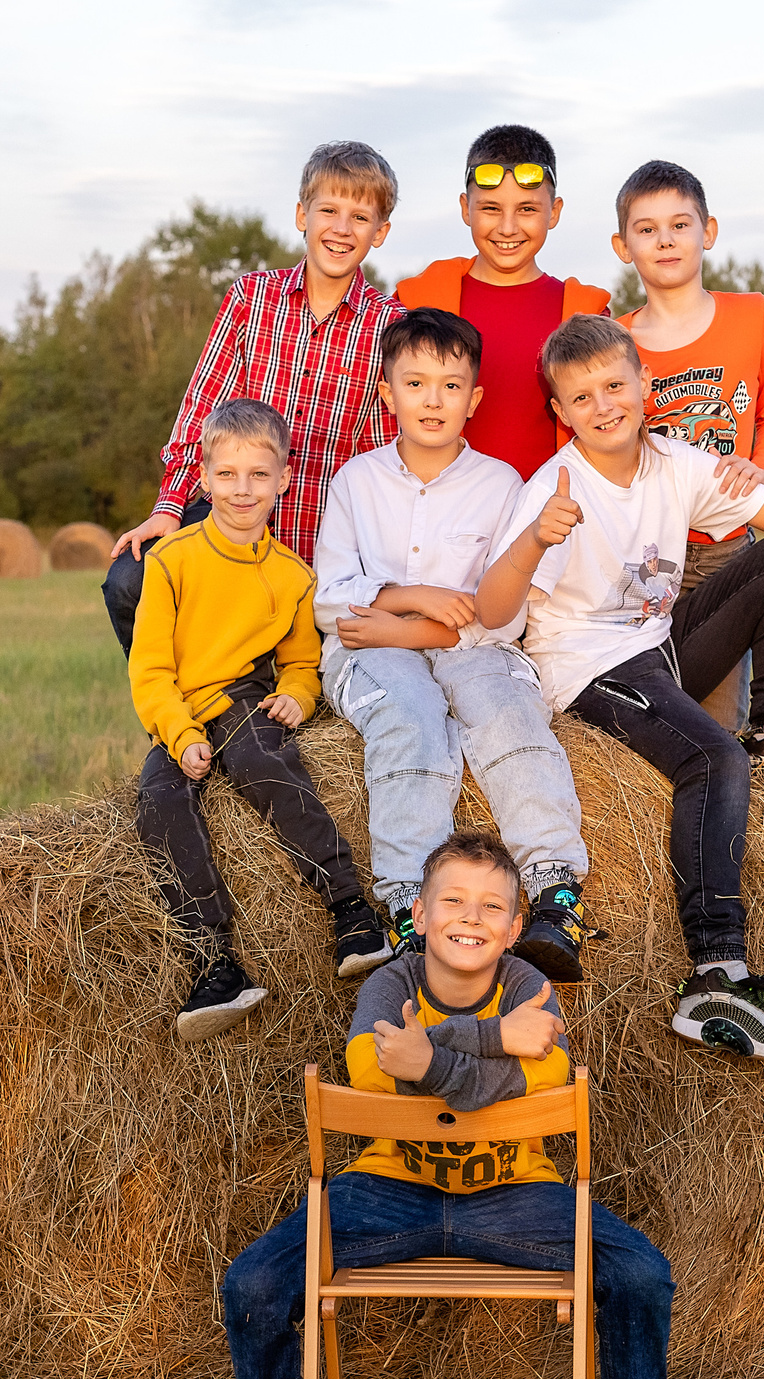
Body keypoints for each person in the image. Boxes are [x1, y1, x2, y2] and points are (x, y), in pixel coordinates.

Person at [171, 831, 742, 1379]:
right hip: (386, 1187)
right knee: (255, 1281)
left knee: (639, 1271)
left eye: (491, 905)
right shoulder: (391, 983)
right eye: (453, 900)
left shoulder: (530, 986)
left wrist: (435, 1059)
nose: (470, 916)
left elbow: (547, 1077)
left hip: (516, 1191)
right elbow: (372, 1074)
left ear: (511, 926)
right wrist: (496, 1040)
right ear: (419, 913)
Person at [473, 316, 764, 1061]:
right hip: (590, 670)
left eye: (615, 385)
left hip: (657, 647)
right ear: (560, 412)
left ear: (645, 385)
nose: (604, 405)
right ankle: (715, 973)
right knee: (711, 760)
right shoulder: (556, 490)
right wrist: (535, 540)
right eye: (581, 398)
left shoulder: (677, 464)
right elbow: (490, 614)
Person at [313, 307, 596, 982]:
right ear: (388, 394)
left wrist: (412, 627)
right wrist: (413, 596)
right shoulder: (356, 481)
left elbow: (499, 620)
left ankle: (556, 889)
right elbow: (334, 602)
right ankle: (410, 906)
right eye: (415, 384)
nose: (431, 400)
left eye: (448, 386)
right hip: (370, 653)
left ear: (473, 399)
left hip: (472, 646)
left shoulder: (499, 486)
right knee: (409, 719)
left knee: (506, 711)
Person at [126, 398, 394, 1042]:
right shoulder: (170, 562)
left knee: (260, 762)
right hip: (184, 705)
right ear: (204, 476)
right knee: (158, 799)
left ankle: (351, 909)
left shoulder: (292, 576)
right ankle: (213, 961)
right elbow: (150, 672)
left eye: (257, 475)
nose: (241, 490)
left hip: (246, 697)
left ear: (282, 479)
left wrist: (299, 697)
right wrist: (184, 736)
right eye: (226, 475)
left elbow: (302, 661)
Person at [102, 140, 406, 655]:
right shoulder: (252, 297)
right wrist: (170, 507)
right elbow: (202, 410)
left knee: (295, 671)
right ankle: (176, 717)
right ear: (300, 215)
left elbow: (384, 449)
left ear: (380, 233)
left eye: (360, 217)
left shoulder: (388, 324)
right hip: (234, 515)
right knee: (130, 580)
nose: (340, 228)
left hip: (320, 535)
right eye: (328, 210)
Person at [613, 159, 764, 732]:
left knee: (715, 726)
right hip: (642, 555)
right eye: (646, 229)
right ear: (624, 246)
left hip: (724, 548)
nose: (665, 240)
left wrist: (762, 472)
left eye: (680, 224)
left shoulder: (753, 315)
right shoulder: (612, 340)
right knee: (638, 732)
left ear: (709, 231)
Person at [393, 125, 612, 481]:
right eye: (491, 208)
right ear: (466, 208)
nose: (508, 228)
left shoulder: (585, 313)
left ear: (554, 212)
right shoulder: (416, 303)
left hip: (553, 519)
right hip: (436, 517)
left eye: (527, 209)